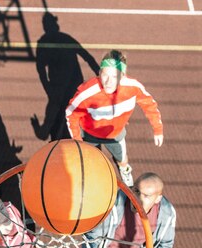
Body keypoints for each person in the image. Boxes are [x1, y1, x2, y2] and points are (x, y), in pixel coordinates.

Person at [65, 50, 163, 186]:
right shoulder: (87, 93)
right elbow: (71, 114)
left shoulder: (133, 88)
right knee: (87, 160)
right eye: (105, 75)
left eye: (114, 76)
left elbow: (149, 104)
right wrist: (77, 141)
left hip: (115, 134)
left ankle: (125, 170)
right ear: (99, 73)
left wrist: (157, 129)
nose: (108, 82)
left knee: (122, 159)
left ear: (122, 76)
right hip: (89, 134)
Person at [84, 173, 176, 248]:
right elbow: (96, 230)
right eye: (136, 191)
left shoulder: (167, 214)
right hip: (112, 247)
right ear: (131, 188)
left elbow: (166, 244)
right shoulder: (114, 202)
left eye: (146, 196)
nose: (137, 198)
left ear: (158, 199)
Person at [30, 12, 99, 141]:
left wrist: (48, 89)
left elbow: (41, 70)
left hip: (58, 89)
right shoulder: (65, 38)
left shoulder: (44, 43)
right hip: (74, 89)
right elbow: (87, 57)